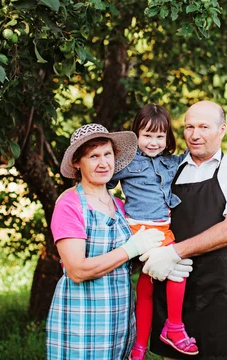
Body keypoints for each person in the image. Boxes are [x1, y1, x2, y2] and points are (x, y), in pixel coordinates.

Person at [140, 101, 227, 360]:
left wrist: (173, 253)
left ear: (222, 129)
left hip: (221, 292)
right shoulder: (167, 170)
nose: (195, 135)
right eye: (189, 127)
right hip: (174, 291)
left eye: (204, 127)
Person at [46, 123, 173, 359]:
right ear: (77, 162)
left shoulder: (121, 205)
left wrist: (163, 257)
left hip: (121, 322)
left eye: (108, 154)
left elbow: (124, 265)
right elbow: (77, 270)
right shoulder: (70, 204)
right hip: (82, 322)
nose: (103, 163)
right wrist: (132, 248)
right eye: (93, 156)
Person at [107, 104, 196, 360]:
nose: (154, 142)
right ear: (136, 134)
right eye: (147, 135)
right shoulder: (127, 162)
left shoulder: (172, 162)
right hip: (139, 230)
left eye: (160, 136)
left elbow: (191, 161)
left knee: (146, 287)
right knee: (178, 270)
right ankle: (175, 328)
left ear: (168, 137)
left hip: (164, 231)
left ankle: (139, 348)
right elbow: (105, 184)